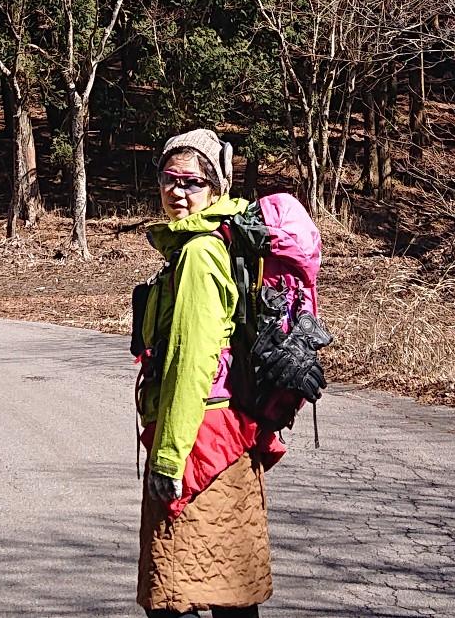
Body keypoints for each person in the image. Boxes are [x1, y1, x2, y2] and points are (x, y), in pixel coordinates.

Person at [132, 127, 275, 618]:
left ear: (217, 188)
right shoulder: (211, 243)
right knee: (228, 593)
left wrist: (170, 460)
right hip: (228, 436)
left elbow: (191, 364)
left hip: (200, 442)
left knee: (173, 595)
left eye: (193, 182)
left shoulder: (198, 254)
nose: (178, 191)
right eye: (169, 178)